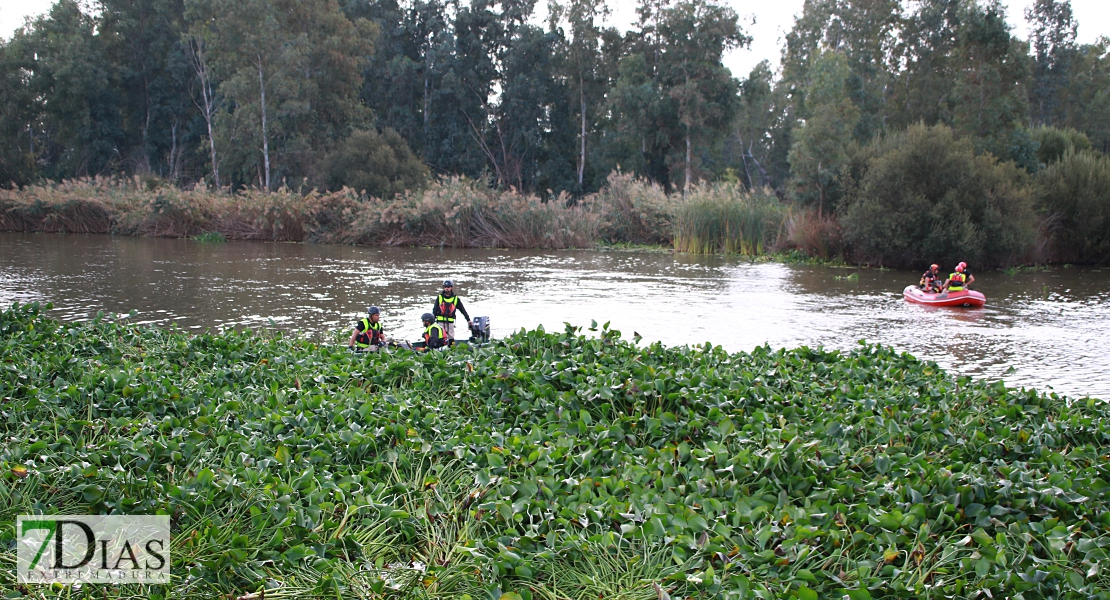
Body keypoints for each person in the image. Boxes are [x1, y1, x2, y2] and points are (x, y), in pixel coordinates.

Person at [432, 279, 471, 344]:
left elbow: (462, 310)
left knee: (451, 337)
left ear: (451, 287)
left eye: (448, 287)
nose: (446, 288)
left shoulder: (456, 299)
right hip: (440, 322)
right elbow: (434, 310)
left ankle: (451, 350)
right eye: (445, 287)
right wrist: (432, 321)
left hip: (450, 323)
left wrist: (468, 320)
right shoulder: (439, 298)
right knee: (440, 337)